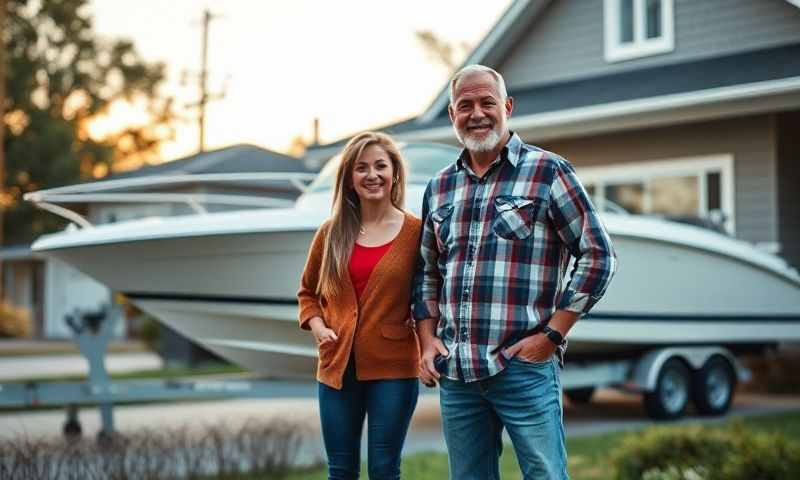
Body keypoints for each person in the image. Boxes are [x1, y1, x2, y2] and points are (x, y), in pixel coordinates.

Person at [413, 65, 618, 480]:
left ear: (507, 107)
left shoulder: (549, 172)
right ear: (452, 114)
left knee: (545, 475)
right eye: (465, 105)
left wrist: (553, 335)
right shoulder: (439, 187)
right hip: (458, 371)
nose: (477, 113)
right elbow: (427, 272)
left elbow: (598, 255)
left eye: (487, 102)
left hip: (523, 369)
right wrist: (426, 341)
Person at [298, 131, 421, 480]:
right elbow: (307, 292)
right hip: (337, 368)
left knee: (384, 469)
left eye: (380, 166)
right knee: (340, 470)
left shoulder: (417, 232)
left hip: (395, 369)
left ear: (394, 172)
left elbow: (429, 296)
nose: (372, 175)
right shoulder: (330, 232)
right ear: (349, 179)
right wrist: (320, 328)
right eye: (361, 168)